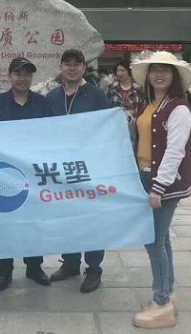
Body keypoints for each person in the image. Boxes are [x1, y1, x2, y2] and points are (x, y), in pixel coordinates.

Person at [130, 51, 191, 328]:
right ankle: (167, 293)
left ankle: (161, 302)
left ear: (174, 76)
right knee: (162, 238)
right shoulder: (150, 104)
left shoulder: (178, 108)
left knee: (153, 241)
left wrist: (158, 187)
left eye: (165, 70)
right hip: (146, 176)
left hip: (163, 182)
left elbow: (175, 151)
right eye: (155, 70)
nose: (159, 75)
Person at [46, 49, 109, 293]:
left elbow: (105, 128)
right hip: (61, 169)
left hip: (89, 168)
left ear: (84, 67)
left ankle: (93, 268)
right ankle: (70, 263)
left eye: (76, 64)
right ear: (61, 67)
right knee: (67, 218)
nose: (71, 69)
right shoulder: (52, 96)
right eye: (67, 64)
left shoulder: (95, 94)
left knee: (92, 219)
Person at [0, 57, 52, 291]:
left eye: (26, 74)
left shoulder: (43, 103)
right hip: (5, 175)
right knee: (4, 223)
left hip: (34, 175)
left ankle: (34, 267)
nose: (22, 79)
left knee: (34, 222)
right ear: (9, 76)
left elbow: (51, 136)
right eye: (18, 74)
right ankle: (4, 271)